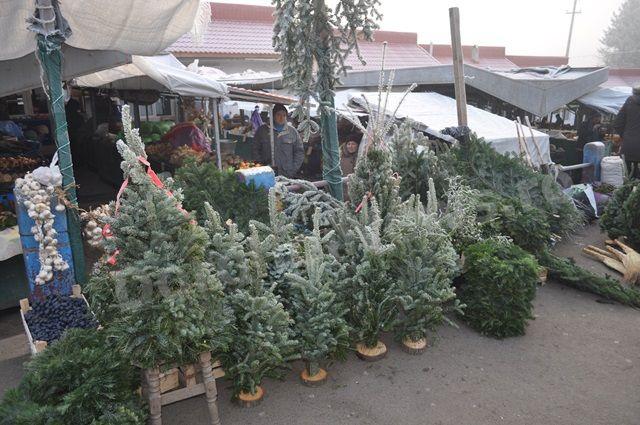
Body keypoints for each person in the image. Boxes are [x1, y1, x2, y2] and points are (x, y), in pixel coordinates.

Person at [252, 103, 304, 178]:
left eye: (284, 115)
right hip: (267, 172)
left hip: (287, 173)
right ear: (273, 116)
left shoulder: (292, 131)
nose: (281, 117)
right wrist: (260, 166)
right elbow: (255, 149)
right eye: (278, 115)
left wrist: (293, 169)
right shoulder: (263, 130)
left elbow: (299, 152)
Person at [614, 85, 640, 179]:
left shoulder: (629, 101)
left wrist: (626, 136)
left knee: (628, 178)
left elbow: (617, 123)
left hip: (629, 147)